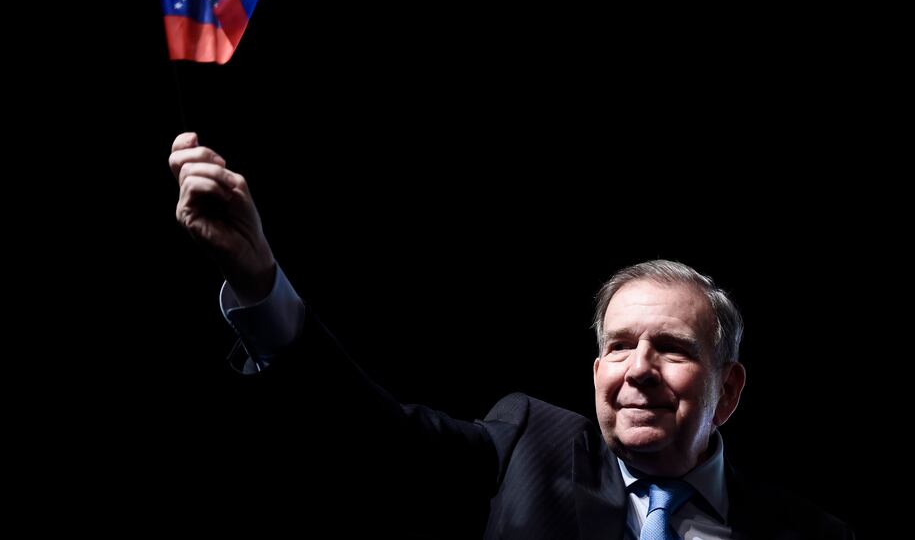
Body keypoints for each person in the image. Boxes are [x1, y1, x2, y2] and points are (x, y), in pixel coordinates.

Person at [169, 131, 855, 539]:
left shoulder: (807, 531)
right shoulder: (530, 441)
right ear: (595, 374)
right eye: (618, 346)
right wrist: (261, 280)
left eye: (671, 348)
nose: (637, 368)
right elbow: (368, 432)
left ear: (728, 389)